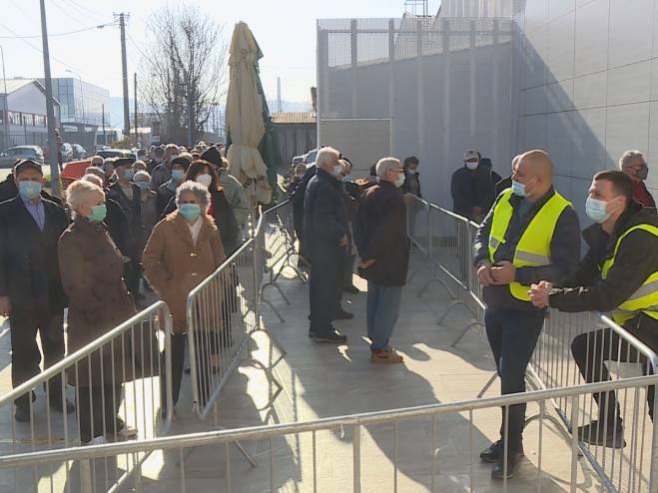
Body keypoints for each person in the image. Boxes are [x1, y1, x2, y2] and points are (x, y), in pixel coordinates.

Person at [530, 170, 658, 449]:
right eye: (590, 192)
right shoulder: (609, 233)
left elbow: (606, 295)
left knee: (589, 348)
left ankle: (611, 427)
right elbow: (583, 272)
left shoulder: (640, 238)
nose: (591, 199)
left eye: (598, 195)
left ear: (619, 202)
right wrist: (551, 288)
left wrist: (553, 298)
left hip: (651, 325)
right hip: (643, 324)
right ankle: (610, 426)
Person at [473, 149, 581, 479]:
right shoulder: (506, 196)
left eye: (519, 173)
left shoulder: (563, 213)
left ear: (539, 179)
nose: (513, 178)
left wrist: (517, 274)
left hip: (524, 309)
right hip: (495, 303)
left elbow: (565, 268)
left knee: (511, 378)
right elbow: (483, 232)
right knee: (507, 376)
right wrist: (481, 263)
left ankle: (512, 447)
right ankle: (509, 440)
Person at [58, 179, 138, 445]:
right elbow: (75, 284)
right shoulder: (72, 238)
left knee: (114, 373)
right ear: (82, 208)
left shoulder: (101, 229)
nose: (104, 207)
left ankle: (110, 420)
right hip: (92, 319)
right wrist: (96, 313)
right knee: (92, 377)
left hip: (116, 312)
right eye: (99, 203)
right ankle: (91, 432)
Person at [0, 159, 74, 422]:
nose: (31, 183)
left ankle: (56, 394)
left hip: (52, 293)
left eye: (35, 177)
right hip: (21, 295)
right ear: (17, 181)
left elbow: (66, 250)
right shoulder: (5, 212)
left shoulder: (55, 210)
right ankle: (22, 399)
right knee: (23, 349)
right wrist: (3, 294)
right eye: (25, 178)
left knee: (55, 346)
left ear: (42, 180)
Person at [143, 181, 226, 412]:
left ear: (203, 204)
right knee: (172, 354)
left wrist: (220, 285)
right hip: (175, 301)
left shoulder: (211, 229)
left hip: (206, 300)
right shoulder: (165, 228)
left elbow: (221, 260)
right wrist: (165, 286)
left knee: (202, 351)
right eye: (185, 202)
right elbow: (150, 260)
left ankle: (204, 400)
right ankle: (168, 402)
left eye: (194, 202)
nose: (189, 206)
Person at [356, 157, 409, 364]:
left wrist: (365, 255)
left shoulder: (369, 193)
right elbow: (387, 232)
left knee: (375, 302)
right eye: (399, 170)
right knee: (388, 306)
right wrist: (370, 256)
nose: (401, 174)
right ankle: (380, 348)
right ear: (389, 173)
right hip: (390, 260)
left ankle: (376, 340)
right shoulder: (394, 198)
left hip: (374, 259)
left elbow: (358, 227)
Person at [304, 147, 351, 344]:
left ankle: (318, 326)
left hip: (320, 246)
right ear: (324, 164)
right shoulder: (323, 185)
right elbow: (323, 218)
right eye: (335, 161)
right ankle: (323, 328)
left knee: (320, 287)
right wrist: (340, 233)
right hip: (326, 247)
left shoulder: (323, 181)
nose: (338, 165)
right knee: (325, 288)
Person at [162, 159, 240, 255]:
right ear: (193, 175)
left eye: (209, 174)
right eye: (202, 173)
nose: (206, 177)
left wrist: (226, 251)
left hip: (216, 253)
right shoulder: (181, 197)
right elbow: (165, 222)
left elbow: (231, 226)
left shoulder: (219, 197)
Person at [107, 158, 142, 298]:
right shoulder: (112, 191)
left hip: (136, 233)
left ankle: (136, 293)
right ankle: (126, 295)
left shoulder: (136, 189)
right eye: (126, 167)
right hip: (121, 234)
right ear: (118, 170)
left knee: (137, 264)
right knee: (125, 267)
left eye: (131, 167)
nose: (130, 170)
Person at [200, 147, 250, 231]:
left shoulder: (231, 184)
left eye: (211, 169)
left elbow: (243, 208)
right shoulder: (194, 181)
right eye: (203, 169)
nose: (208, 173)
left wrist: (226, 222)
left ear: (218, 168)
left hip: (224, 234)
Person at [451, 149, 496, 222]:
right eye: (469, 160)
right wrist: (471, 208)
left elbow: (490, 192)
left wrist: (481, 207)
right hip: (463, 213)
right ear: (465, 161)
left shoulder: (486, 173)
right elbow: (456, 195)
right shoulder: (457, 175)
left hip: (483, 213)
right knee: (463, 233)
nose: (472, 162)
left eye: (474, 160)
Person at [339, 159, 360, 294]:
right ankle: (345, 283)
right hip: (343, 223)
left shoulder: (341, 185)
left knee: (350, 254)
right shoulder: (334, 185)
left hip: (347, 222)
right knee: (347, 254)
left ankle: (347, 282)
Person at [134, 171, 158, 257]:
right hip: (138, 236)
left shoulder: (155, 197)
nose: (142, 182)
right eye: (139, 180)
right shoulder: (131, 198)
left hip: (153, 233)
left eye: (145, 180)